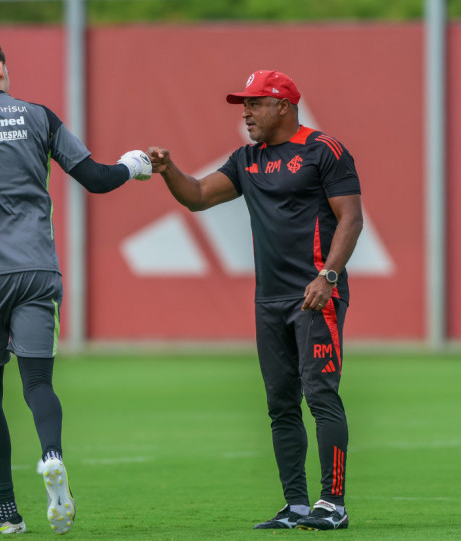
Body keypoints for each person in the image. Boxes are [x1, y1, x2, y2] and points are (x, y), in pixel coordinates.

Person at [0, 37, 152, 534]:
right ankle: (52, 455)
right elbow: (96, 178)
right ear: (1, 69)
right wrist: (133, 165)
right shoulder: (39, 116)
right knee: (39, 382)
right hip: (39, 270)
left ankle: (7, 512)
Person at [149, 69, 363, 531]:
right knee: (281, 404)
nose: (245, 112)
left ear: (283, 106)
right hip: (269, 300)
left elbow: (351, 219)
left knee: (320, 395)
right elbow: (198, 196)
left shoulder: (324, 150)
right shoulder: (247, 159)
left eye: (254, 103)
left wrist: (327, 276)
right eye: (243, 104)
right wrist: (168, 170)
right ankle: (296, 506)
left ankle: (333, 504)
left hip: (315, 296)